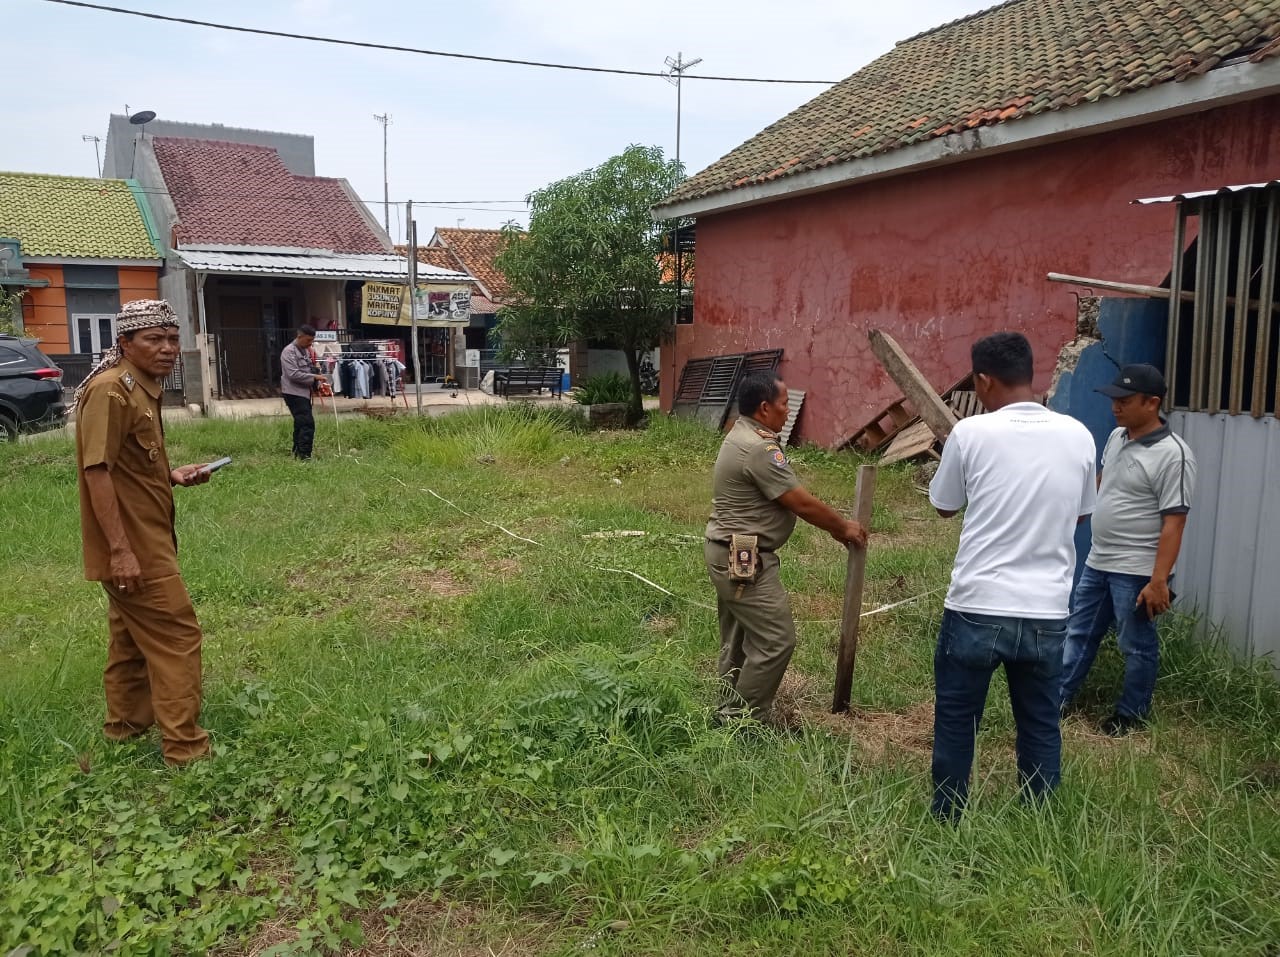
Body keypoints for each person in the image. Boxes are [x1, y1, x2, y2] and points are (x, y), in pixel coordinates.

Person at [928, 332, 1096, 819]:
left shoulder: (971, 433)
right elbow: (1082, 515)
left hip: (977, 606)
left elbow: (944, 505)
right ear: (1031, 372)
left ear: (983, 380)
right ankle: (1039, 820)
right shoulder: (1079, 435)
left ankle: (948, 818)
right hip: (1047, 609)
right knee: (1041, 722)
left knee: (958, 721)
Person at [73, 299, 214, 767]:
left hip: (148, 536)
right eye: (154, 339)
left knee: (131, 636)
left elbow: (130, 464)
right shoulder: (111, 391)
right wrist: (120, 552)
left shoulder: (140, 388)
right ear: (125, 343)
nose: (168, 348)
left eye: (172, 338)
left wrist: (171, 474)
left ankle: (126, 726)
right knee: (176, 637)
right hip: (133, 546)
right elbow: (97, 472)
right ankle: (185, 750)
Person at [705, 370, 868, 726]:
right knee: (776, 640)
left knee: (739, 641)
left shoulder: (741, 433)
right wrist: (843, 528)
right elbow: (801, 502)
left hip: (729, 551)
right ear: (764, 408)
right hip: (743, 558)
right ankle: (741, 723)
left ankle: (726, 716)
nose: (787, 411)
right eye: (783, 405)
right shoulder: (759, 448)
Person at [1059, 364, 1197, 736]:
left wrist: (1158, 582)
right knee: (1079, 631)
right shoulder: (1119, 436)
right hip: (1099, 559)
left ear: (1152, 403)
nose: (1116, 407)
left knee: (1134, 644)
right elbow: (1107, 479)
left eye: (1125, 401)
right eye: (1114, 400)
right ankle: (1056, 698)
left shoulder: (1174, 455)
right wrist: (1084, 509)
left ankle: (1130, 715)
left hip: (1136, 569)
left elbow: (1175, 521)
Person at [280, 324, 327, 460]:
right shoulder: (288, 352)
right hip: (293, 393)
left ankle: (297, 452)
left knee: (300, 423)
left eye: (312, 340)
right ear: (299, 337)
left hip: (304, 393)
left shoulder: (306, 350)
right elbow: (293, 374)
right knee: (307, 424)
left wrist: (316, 372)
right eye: (308, 340)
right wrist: (315, 377)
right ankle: (305, 456)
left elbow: (308, 369)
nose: (310, 343)